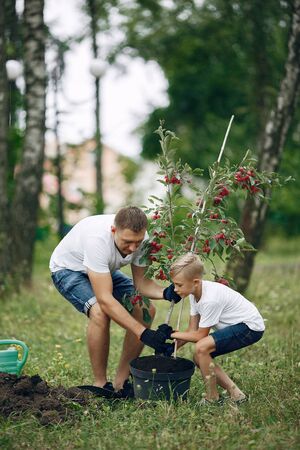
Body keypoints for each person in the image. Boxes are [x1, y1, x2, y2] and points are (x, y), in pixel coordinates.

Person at [49, 206, 179, 398]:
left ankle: (121, 381)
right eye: (127, 242)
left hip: (102, 270)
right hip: (69, 270)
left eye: (138, 242)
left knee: (145, 310)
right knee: (100, 313)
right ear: (113, 231)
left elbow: (142, 284)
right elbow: (105, 299)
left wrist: (167, 292)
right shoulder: (98, 240)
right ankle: (101, 385)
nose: (134, 248)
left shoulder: (143, 239)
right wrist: (144, 334)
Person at [169, 253, 265, 404]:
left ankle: (212, 398)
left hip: (250, 327)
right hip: (238, 326)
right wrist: (172, 347)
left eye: (179, 285)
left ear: (195, 282)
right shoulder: (194, 294)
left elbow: (199, 336)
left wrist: (172, 334)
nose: (175, 289)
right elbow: (191, 331)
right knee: (199, 357)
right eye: (174, 284)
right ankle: (237, 395)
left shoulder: (209, 299)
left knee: (201, 348)